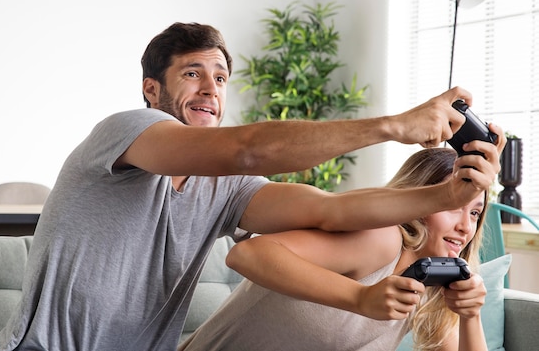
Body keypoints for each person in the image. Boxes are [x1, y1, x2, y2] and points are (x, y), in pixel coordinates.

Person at [0, 22, 505, 351]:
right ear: (152, 89)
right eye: (192, 73)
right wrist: (392, 126)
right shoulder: (126, 132)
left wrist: (449, 196)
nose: (210, 89)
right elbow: (249, 148)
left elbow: (331, 212)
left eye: (219, 78)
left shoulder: (227, 188)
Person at [178, 146, 497, 351]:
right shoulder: (383, 239)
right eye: (453, 206)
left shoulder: (432, 283)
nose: (466, 227)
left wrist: (470, 315)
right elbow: (247, 254)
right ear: (418, 198)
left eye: (474, 212)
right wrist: (361, 298)